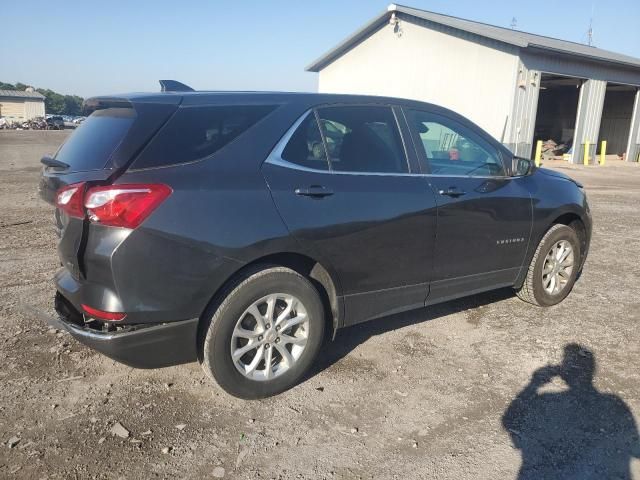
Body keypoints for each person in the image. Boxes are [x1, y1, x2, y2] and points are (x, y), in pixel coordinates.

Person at [503, 344, 640, 479]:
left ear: (562, 373)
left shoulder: (545, 402)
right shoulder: (613, 404)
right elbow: (635, 448)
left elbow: (510, 421)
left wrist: (534, 384)